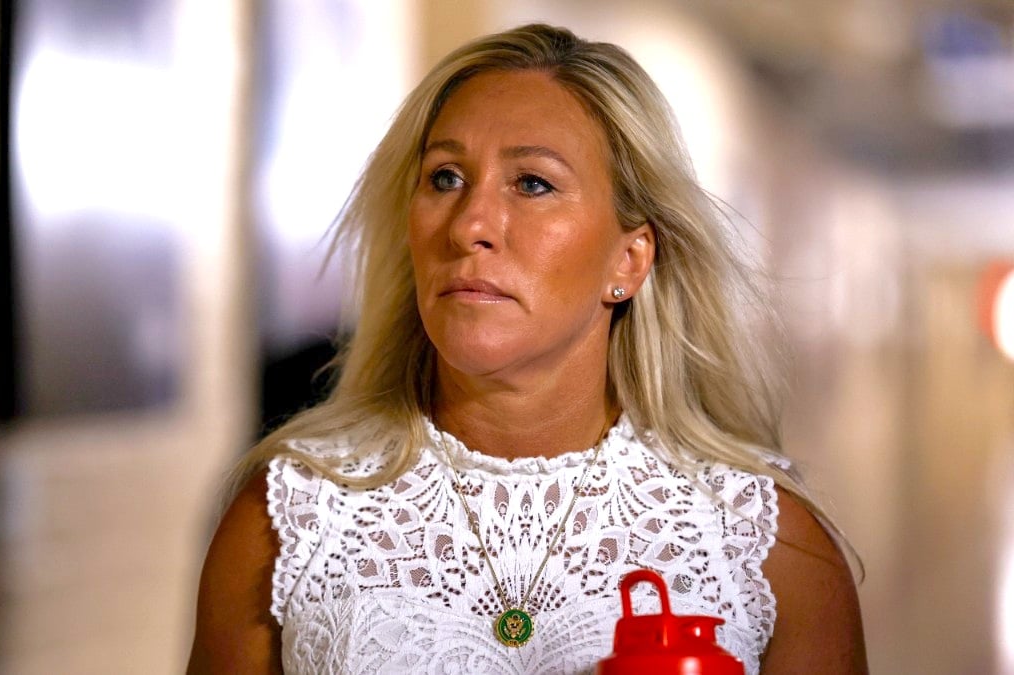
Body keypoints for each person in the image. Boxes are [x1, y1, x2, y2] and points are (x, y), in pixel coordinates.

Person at [188, 23, 867, 675]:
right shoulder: (288, 522)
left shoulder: (763, 545)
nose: (471, 225)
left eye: (533, 183)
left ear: (628, 260)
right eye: (445, 178)